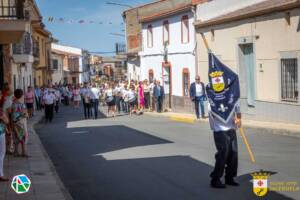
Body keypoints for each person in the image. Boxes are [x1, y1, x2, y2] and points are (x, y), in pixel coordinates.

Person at [11, 89, 29, 157]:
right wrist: (25, 114)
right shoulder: (20, 104)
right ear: (21, 96)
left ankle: (16, 151)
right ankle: (24, 152)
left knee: (16, 137)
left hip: (16, 123)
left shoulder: (14, 104)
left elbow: (13, 115)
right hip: (20, 123)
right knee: (23, 137)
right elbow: (23, 115)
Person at [0, 107, 9, 181]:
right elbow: (7, 121)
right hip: (0, 133)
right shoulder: (1, 111)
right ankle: (1, 174)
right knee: (2, 154)